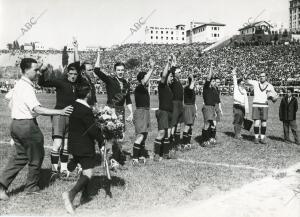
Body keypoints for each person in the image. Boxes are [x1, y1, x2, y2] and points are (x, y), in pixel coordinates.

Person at [0, 58, 73, 200]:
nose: (38, 73)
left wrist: (17, 110)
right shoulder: (26, 87)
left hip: (16, 124)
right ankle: (31, 187)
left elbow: (7, 98)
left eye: (38, 70)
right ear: (25, 71)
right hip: (27, 125)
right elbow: (38, 109)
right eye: (35, 70)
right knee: (36, 156)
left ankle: (1, 186)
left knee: (20, 157)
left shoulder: (19, 84)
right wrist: (60, 112)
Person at [38, 39, 81, 179]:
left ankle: (63, 170)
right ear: (67, 73)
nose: (73, 76)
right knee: (57, 143)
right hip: (59, 115)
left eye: (75, 74)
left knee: (67, 145)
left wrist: (76, 48)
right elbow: (43, 83)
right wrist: (42, 71)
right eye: (71, 74)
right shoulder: (61, 82)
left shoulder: (77, 83)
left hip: (72, 117)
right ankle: (53, 170)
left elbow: (78, 64)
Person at [62, 82, 103, 214]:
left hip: (74, 144)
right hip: (84, 145)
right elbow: (92, 130)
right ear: (87, 94)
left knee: (84, 169)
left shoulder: (74, 105)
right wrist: (102, 139)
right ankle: (70, 194)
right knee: (88, 173)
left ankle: (85, 194)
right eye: (90, 92)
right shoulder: (85, 110)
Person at [94, 49, 133, 166]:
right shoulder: (110, 80)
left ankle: (114, 157)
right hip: (111, 109)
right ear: (115, 71)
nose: (120, 72)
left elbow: (128, 99)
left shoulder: (126, 83)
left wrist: (131, 112)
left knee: (121, 136)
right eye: (118, 70)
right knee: (110, 136)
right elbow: (96, 70)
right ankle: (111, 158)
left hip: (121, 110)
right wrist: (99, 55)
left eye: (122, 70)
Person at [132, 59, 155, 165]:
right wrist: (151, 68)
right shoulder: (140, 87)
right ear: (142, 79)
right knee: (140, 136)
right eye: (146, 77)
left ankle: (141, 155)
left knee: (144, 135)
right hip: (141, 112)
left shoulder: (143, 88)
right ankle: (135, 158)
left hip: (145, 112)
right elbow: (145, 80)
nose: (148, 79)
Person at [153, 55, 176, 161]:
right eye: (170, 77)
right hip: (163, 112)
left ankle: (166, 153)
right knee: (162, 133)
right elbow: (164, 76)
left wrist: (173, 65)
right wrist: (168, 62)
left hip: (170, 113)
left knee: (167, 134)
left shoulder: (169, 88)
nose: (172, 78)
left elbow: (171, 73)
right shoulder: (161, 85)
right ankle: (157, 154)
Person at [245, 72, 276, 144]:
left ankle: (262, 138)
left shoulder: (270, 86)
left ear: (266, 77)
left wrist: (272, 97)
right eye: (260, 76)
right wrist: (247, 75)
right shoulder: (256, 83)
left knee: (264, 122)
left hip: (265, 105)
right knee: (256, 122)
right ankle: (256, 138)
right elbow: (246, 81)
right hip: (256, 105)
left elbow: (275, 98)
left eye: (263, 76)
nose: (261, 77)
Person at [201, 64, 219, 146]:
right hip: (207, 107)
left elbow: (216, 101)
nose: (214, 82)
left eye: (214, 81)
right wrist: (211, 68)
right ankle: (204, 141)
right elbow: (208, 78)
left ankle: (209, 138)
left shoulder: (213, 89)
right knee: (207, 124)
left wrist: (216, 110)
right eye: (213, 81)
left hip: (211, 108)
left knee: (212, 124)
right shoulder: (206, 87)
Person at [169, 66, 184, 150]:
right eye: (179, 72)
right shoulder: (173, 80)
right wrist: (173, 64)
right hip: (174, 103)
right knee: (173, 124)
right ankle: (171, 143)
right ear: (175, 73)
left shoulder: (178, 81)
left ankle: (177, 143)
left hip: (180, 104)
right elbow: (170, 71)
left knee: (178, 125)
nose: (180, 73)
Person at [232, 68, 249, 139]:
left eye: (243, 82)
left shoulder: (244, 91)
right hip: (237, 106)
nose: (243, 83)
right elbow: (234, 80)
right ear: (239, 83)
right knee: (237, 120)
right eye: (242, 82)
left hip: (243, 107)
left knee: (241, 121)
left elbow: (246, 101)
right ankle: (236, 134)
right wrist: (234, 73)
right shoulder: (236, 87)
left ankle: (239, 133)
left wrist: (247, 110)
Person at [182, 75, 197, 149]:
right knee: (187, 125)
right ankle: (184, 144)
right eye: (194, 81)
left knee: (191, 126)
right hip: (188, 107)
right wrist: (193, 79)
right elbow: (191, 86)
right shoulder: (187, 88)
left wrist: (195, 110)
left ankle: (188, 142)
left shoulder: (192, 89)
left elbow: (194, 101)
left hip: (192, 107)